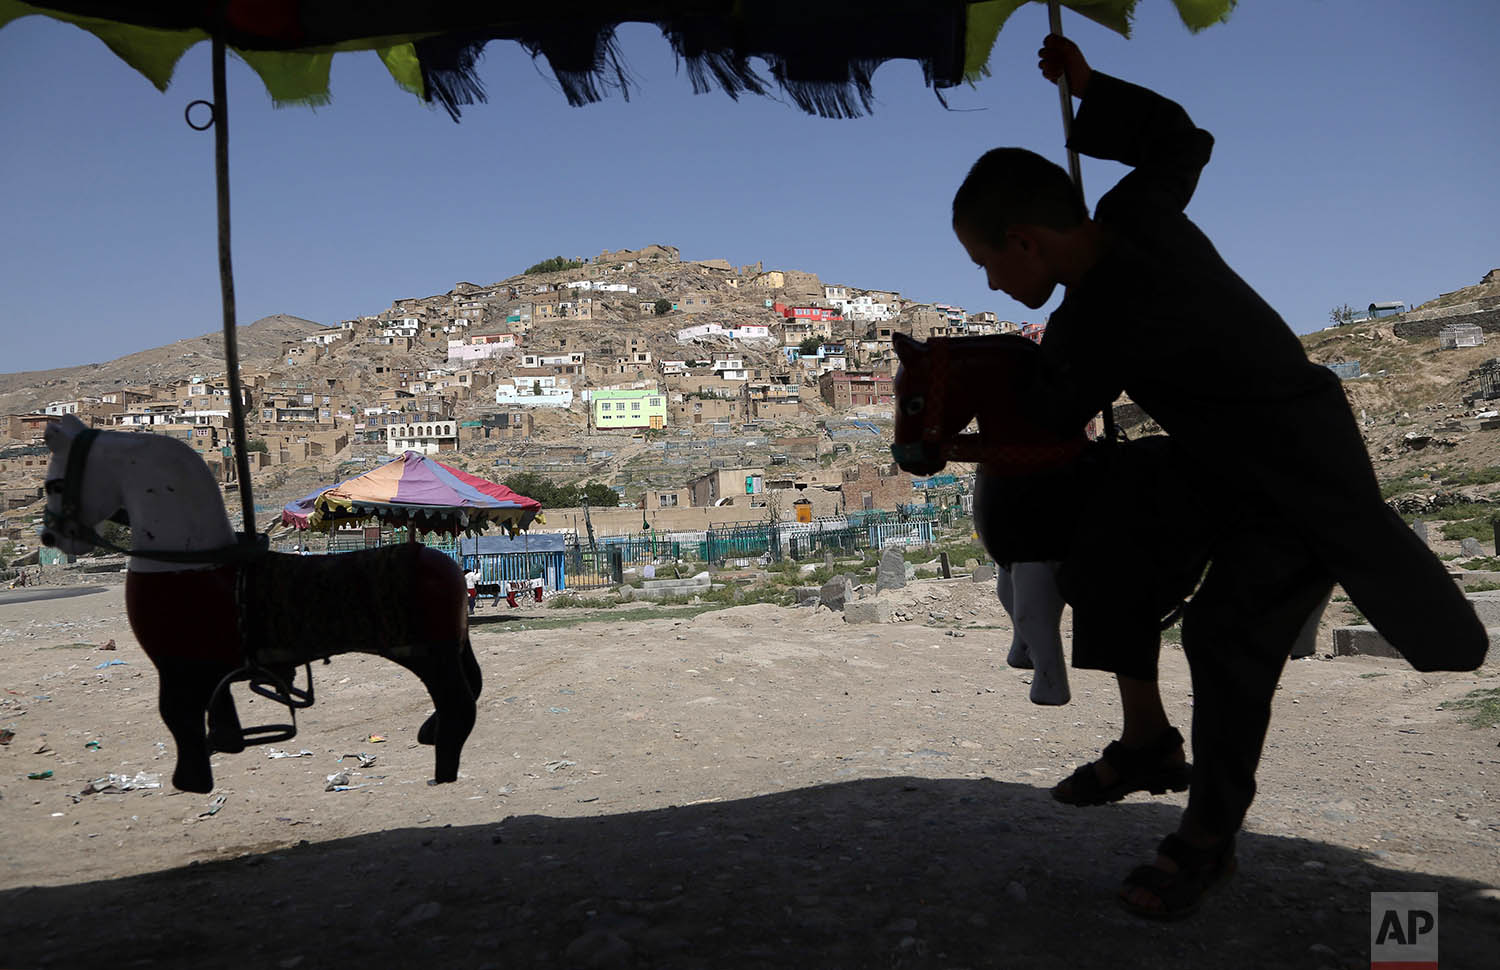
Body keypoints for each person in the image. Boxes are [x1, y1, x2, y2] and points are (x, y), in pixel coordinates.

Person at [950, 35, 1488, 919]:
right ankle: (1149, 741)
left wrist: (964, 418)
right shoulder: (1134, 215)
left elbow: (1046, 417)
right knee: (1105, 525)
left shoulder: (1105, 300)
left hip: (1293, 469)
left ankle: (1207, 835)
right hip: (1211, 459)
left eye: (986, 263)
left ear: (1023, 240)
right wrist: (1090, 90)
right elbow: (1178, 140)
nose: (989, 280)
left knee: (1225, 637)